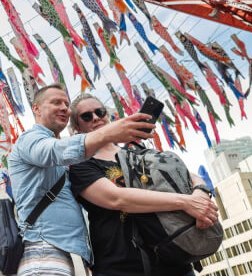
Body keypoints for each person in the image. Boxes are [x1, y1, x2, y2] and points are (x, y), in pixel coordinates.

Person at [9, 84, 156, 276]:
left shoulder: (67, 159)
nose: (64, 108)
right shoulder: (30, 139)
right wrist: (109, 132)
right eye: (56, 102)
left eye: (66, 104)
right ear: (36, 108)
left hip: (68, 253)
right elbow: (53, 151)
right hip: (45, 251)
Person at [68, 93, 218, 276]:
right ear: (77, 127)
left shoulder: (138, 152)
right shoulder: (81, 165)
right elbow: (117, 199)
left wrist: (200, 192)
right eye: (87, 116)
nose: (96, 118)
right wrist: (185, 202)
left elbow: (187, 175)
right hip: (121, 267)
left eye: (100, 111)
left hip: (172, 260)